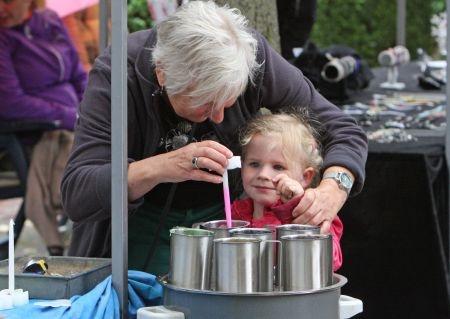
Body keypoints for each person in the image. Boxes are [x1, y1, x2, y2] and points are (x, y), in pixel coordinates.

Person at [61, 1, 367, 275]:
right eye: (206, 103)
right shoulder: (119, 74)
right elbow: (78, 192)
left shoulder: (247, 55)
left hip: (226, 223)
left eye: (229, 101)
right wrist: (162, 167)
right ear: (163, 75)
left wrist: (332, 190)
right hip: (139, 231)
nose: (219, 116)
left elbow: (343, 130)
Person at [0, 0, 87, 255]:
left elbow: (79, 75)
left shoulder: (49, 20)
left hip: (76, 121)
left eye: (7, 0)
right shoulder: (3, 37)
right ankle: (77, 234)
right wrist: (70, 116)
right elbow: (10, 103)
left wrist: (91, 109)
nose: (1, 9)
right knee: (92, 153)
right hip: (34, 133)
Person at [231, 112, 342, 271]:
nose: (263, 175)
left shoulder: (314, 211)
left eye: (278, 167)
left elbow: (330, 260)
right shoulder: (236, 213)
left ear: (305, 177)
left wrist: (292, 207)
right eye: (254, 164)